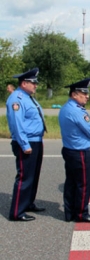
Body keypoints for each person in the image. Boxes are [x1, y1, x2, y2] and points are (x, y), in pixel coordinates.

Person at [59, 78, 90, 223]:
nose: (87, 96)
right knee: (83, 184)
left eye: (87, 93)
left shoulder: (66, 108)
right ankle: (81, 213)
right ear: (74, 94)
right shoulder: (76, 111)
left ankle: (70, 212)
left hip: (70, 150)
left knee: (71, 183)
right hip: (79, 153)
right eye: (83, 93)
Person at [7, 67, 46, 222]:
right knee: (25, 177)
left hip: (36, 141)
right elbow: (17, 124)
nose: (35, 85)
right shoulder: (17, 99)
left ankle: (28, 202)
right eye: (33, 83)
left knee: (33, 176)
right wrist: (24, 144)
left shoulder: (28, 97)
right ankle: (17, 212)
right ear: (24, 83)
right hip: (27, 142)